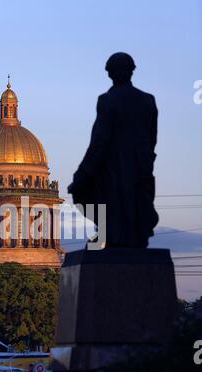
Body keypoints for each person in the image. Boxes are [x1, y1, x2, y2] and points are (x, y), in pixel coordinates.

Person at [68, 52, 159, 248]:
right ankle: (132, 236)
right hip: (141, 165)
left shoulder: (108, 100)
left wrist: (82, 174)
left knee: (84, 194)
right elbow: (152, 139)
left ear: (110, 73)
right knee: (133, 203)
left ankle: (108, 234)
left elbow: (100, 141)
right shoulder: (148, 100)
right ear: (132, 71)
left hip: (113, 165)